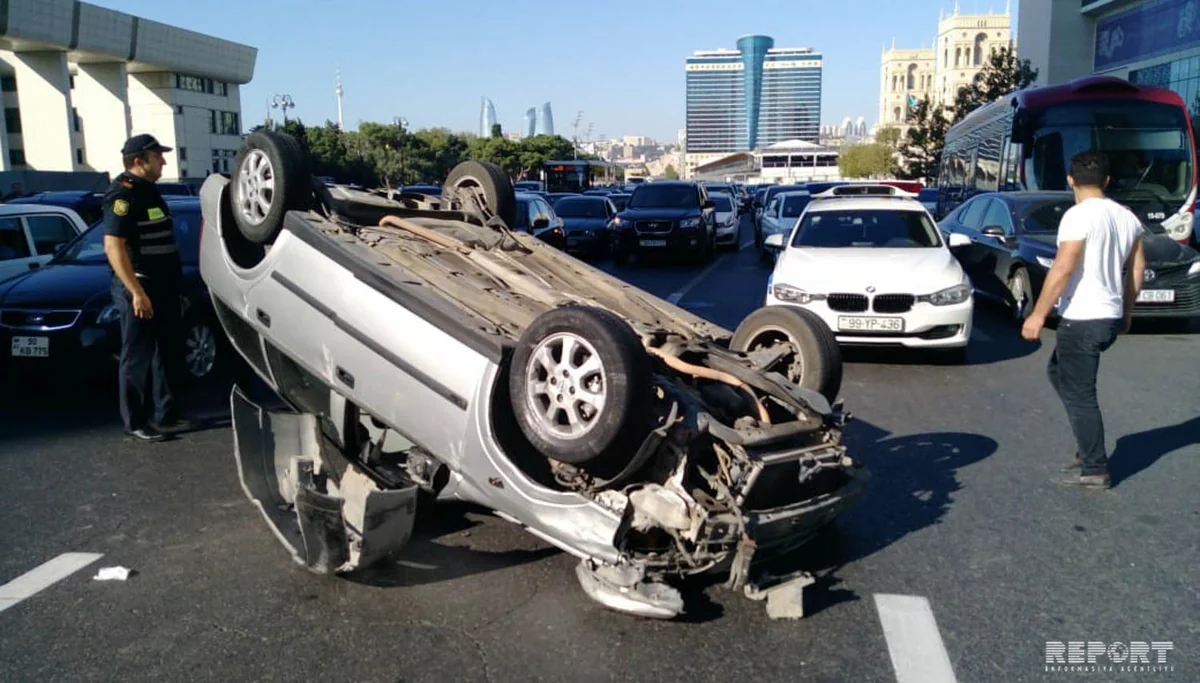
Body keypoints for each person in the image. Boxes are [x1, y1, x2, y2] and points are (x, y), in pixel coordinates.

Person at [1021, 151, 1146, 489]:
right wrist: (1127, 311)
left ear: (1070, 179)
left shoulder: (1077, 217)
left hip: (1083, 316)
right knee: (1058, 372)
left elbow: (1063, 267)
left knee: (1080, 393)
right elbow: (1137, 269)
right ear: (1107, 181)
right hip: (1107, 315)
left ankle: (1093, 467)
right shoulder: (1127, 217)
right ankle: (1087, 442)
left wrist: (1037, 315)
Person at [102, 134, 196, 442]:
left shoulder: (150, 192)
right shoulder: (123, 195)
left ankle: (166, 414)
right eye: (158, 156)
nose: (164, 161)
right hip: (140, 286)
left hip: (164, 285)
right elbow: (114, 246)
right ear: (139, 161)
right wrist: (136, 293)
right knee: (137, 355)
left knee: (165, 351)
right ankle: (136, 421)